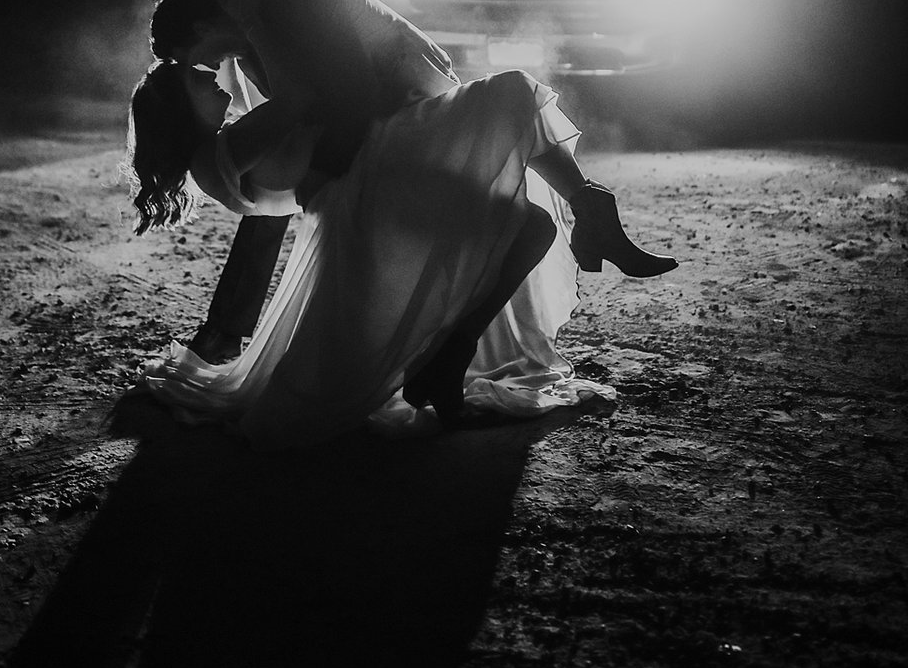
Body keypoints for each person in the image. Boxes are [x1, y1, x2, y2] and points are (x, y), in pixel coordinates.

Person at [124, 50, 676, 449]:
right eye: (197, 78)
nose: (211, 73)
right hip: (376, 184)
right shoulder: (217, 153)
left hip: (374, 188)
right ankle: (589, 205)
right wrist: (257, 35)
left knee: (530, 225)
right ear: (178, 110)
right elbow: (302, 97)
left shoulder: (226, 145)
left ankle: (453, 349)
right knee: (513, 94)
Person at [147, 0, 676, 367]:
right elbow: (298, 115)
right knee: (516, 113)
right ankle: (590, 208)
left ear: (200, 26)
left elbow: (347, 89)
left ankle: (589, 209)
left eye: (193, 55)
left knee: (515, 99)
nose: (204, 67)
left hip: (401, 102)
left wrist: (327, 166)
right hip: (370, 129)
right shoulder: (251, 44)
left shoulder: (281, 5)